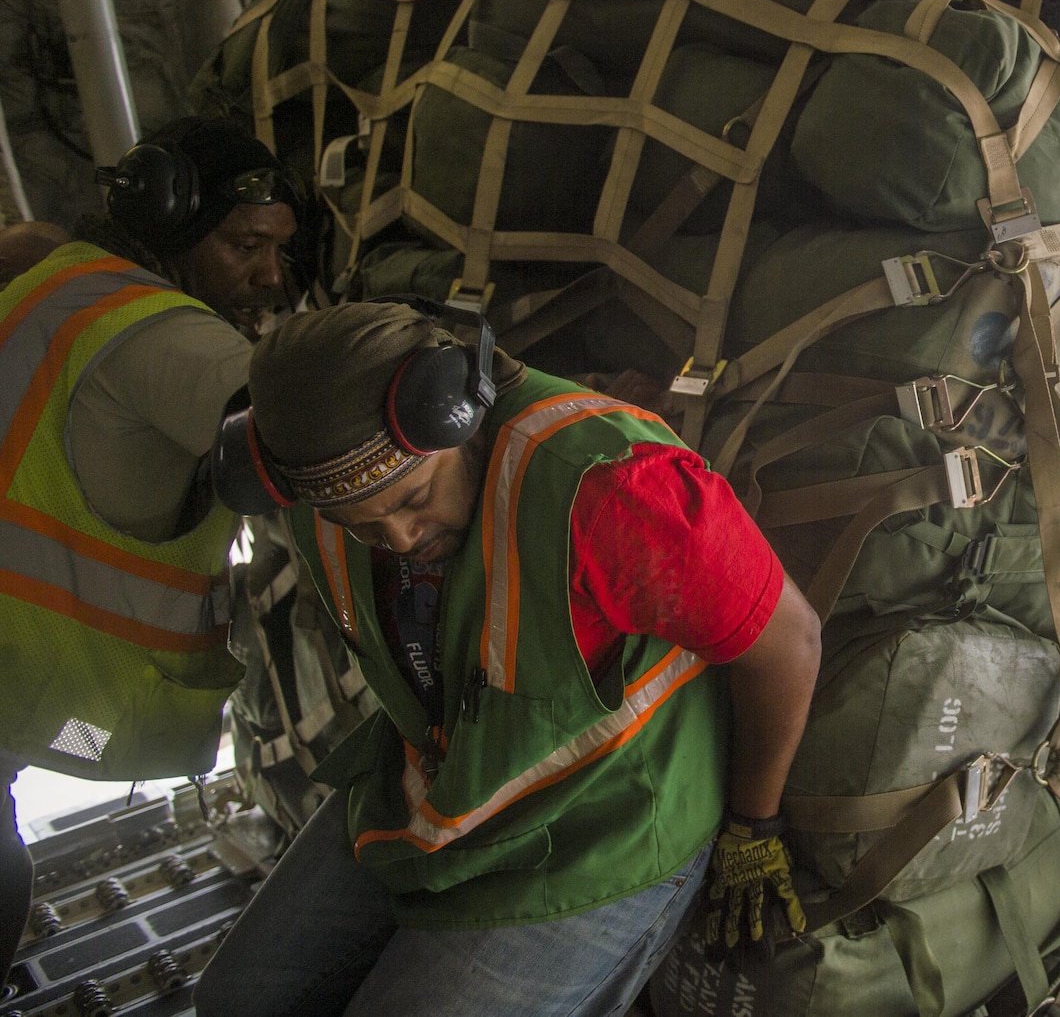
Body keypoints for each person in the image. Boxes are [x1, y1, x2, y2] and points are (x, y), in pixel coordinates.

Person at [196, 301, 822, 1017]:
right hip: (445, 791)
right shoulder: (327, 489)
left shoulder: (606, 487)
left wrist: (752, 826)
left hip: (601, 825)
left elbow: (789, 642)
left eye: (416, 498)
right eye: (358, 524)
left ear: (459, 419)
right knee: (236, 999)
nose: (398, 536)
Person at [0, 117, 304, 978]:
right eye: (245, 244)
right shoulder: (168, 338)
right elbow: (325, 438)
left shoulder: (62, 279)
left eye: (279, 249)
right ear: (170, 224)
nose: (270, 277)